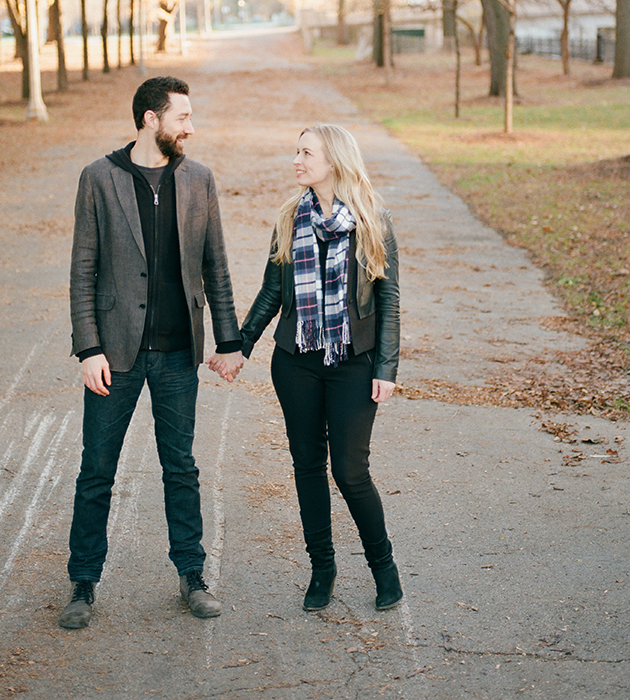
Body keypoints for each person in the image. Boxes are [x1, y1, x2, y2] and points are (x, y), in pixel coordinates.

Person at [59, 76, 244, 629]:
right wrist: (88, 348)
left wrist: (229, 340)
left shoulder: (199, 180)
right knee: (97, 470)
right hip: (114, 354)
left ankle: (192, 574)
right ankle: (83, 582)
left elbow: (216, 265)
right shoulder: (99, 178)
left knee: (180, 467)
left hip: (177, 353)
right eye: (182, 117)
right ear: (149, 118)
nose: (191, 127)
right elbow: (82, 270)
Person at [210, 123, 402, 613]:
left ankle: (384, 567)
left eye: (306, 152)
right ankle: (323, 568)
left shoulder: (372, 218)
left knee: (351, 470)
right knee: (307, 466)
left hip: (353, 363)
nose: (296, 160)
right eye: (296, 151)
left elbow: (389, 299)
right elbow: (272, 293)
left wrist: (386, 367)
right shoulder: (291, 217)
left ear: (333, 160)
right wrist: (239, 346)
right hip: (296, 362)